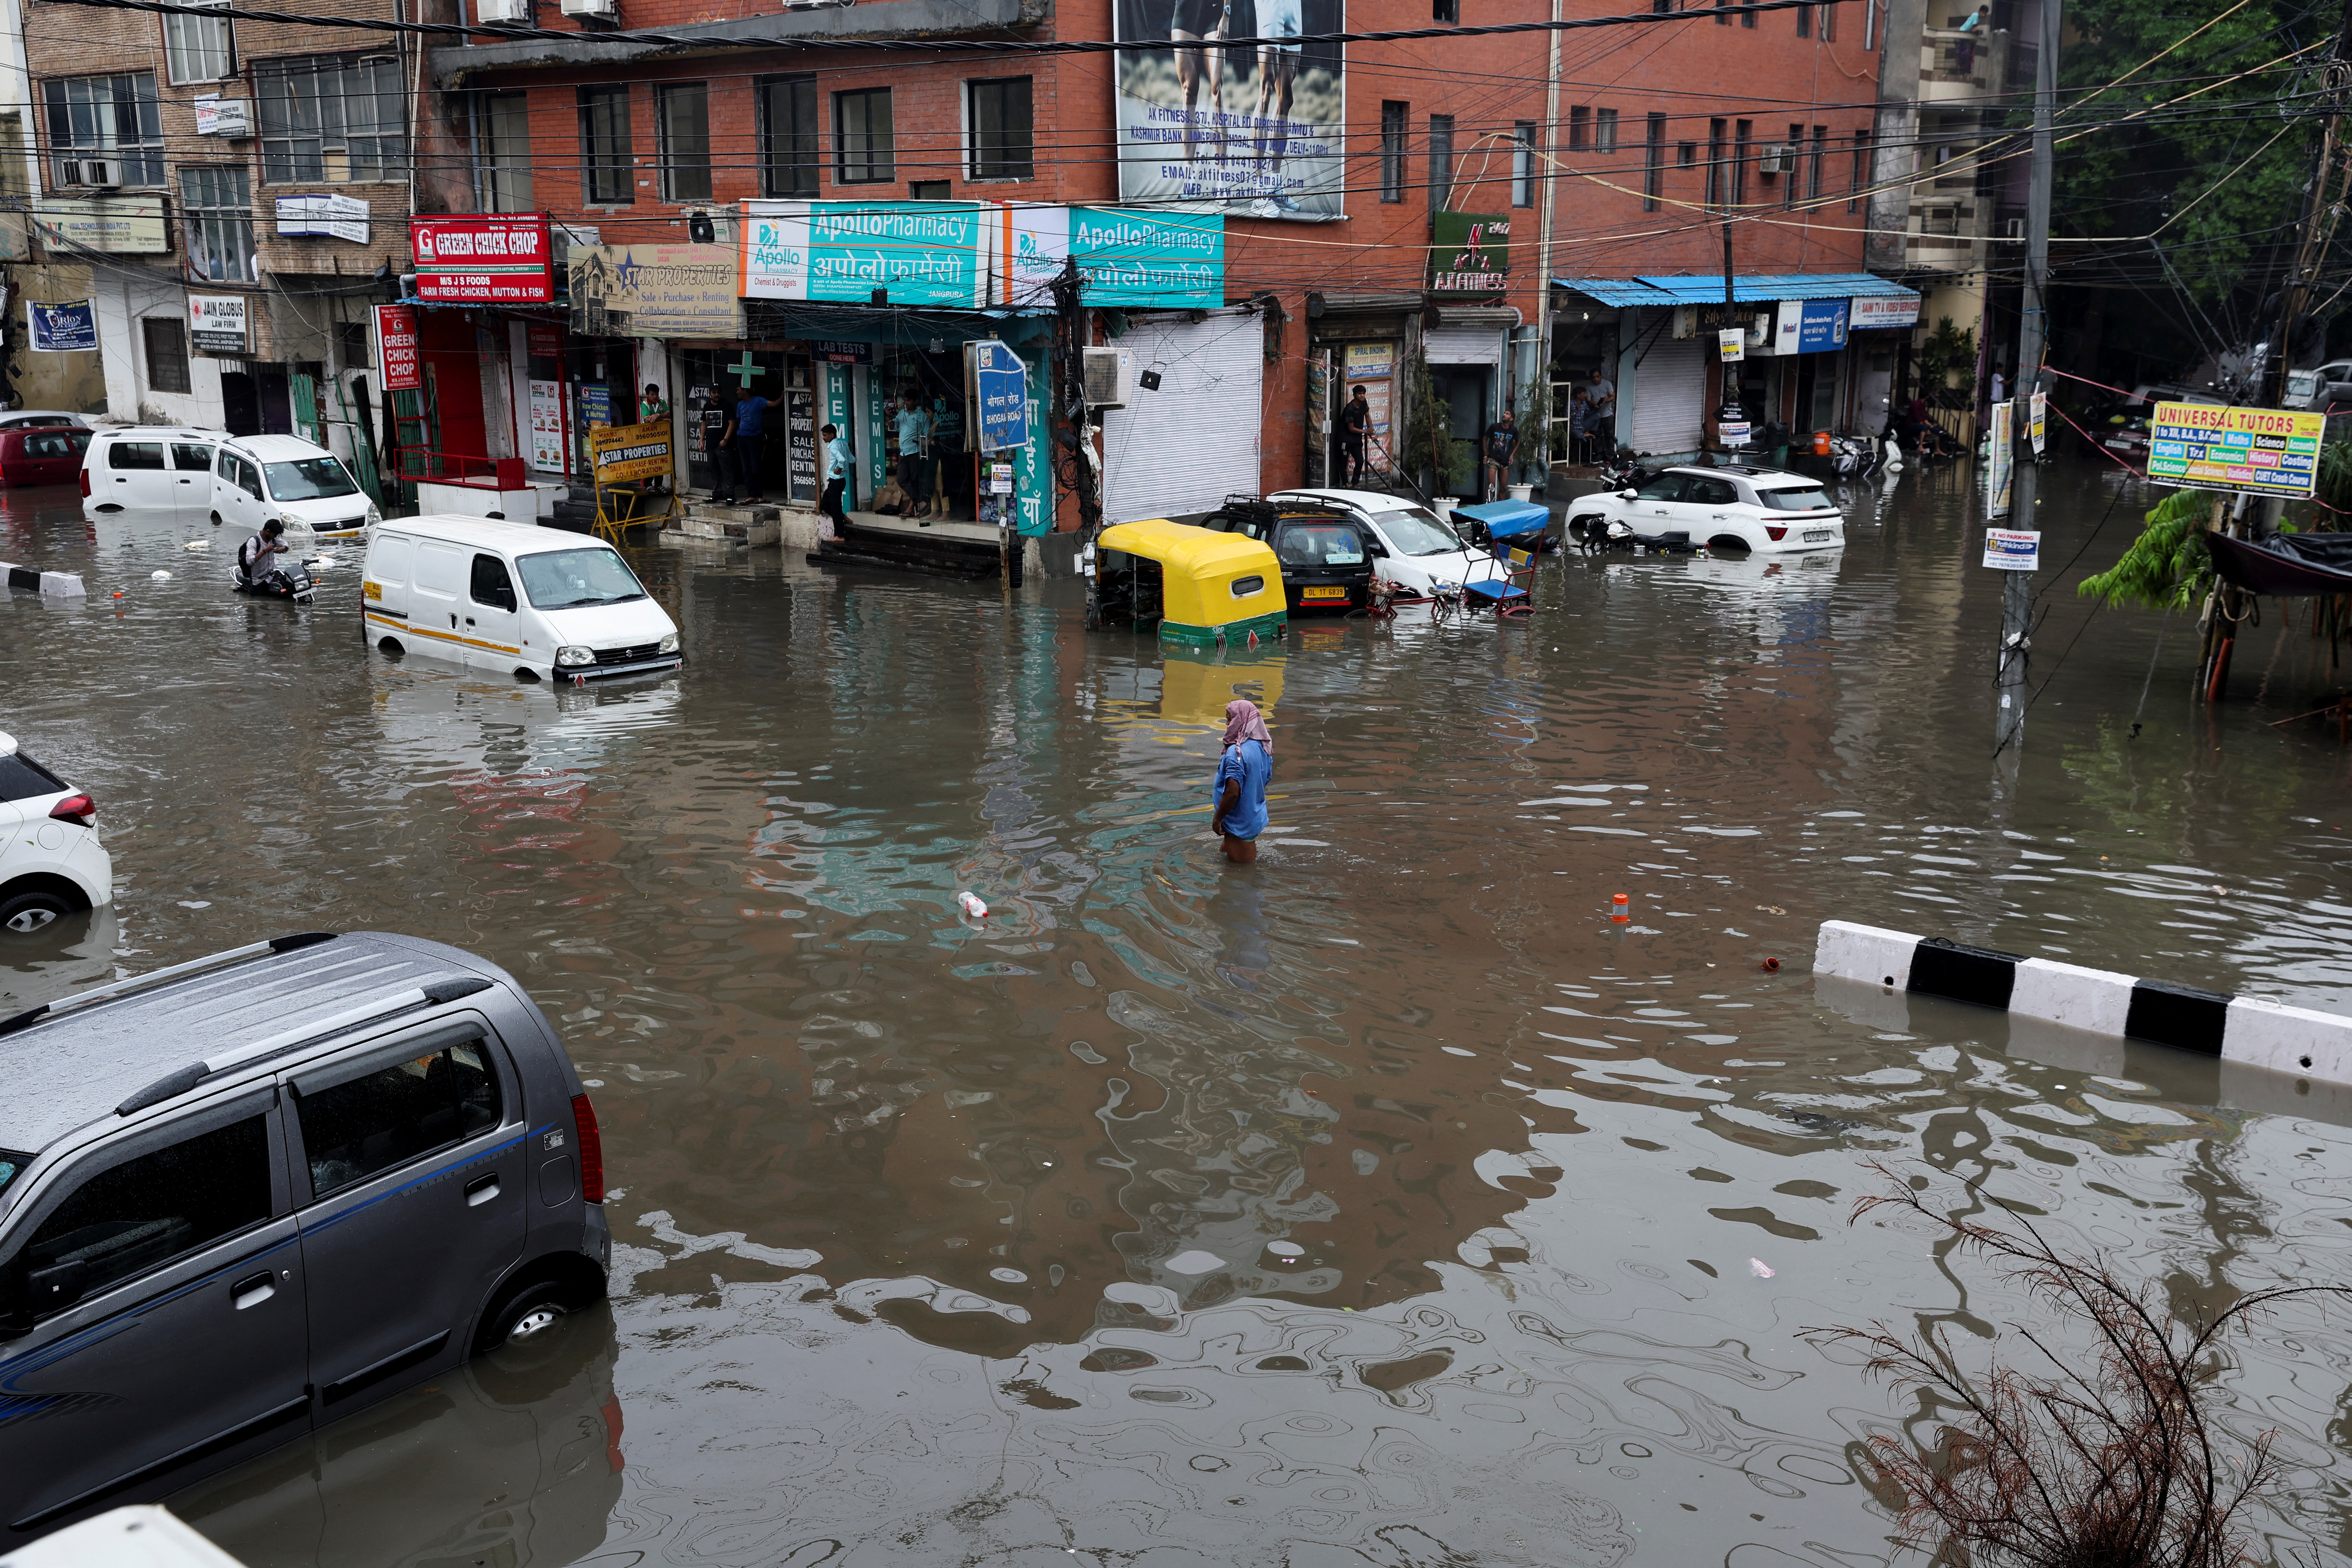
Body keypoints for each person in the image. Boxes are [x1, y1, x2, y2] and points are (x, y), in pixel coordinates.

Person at [1250, 0, 1302, 210]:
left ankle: (1275, 184)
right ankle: (1259, 187)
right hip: (1271, 6)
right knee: (1266, 90)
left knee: (1286, 99)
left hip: (1294, 8)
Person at [1210, 698, 1272, 865]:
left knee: (1244, 872)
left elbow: (1233, 792)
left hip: (1239, 821)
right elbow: (1266, 778)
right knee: (1224, 859)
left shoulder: (1235, 753)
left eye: (1231, 719)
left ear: (1242, 720)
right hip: (1253, 813)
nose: (1227, 724)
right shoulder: (1263, 747)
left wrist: (1217, 819)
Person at [1171, 0, 1229, 163]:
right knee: (1188, 93)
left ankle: (1221, 176)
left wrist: (1226, 15)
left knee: (1217, 90)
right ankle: (1189, 172)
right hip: (1186, 13)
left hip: (1214, 13)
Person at [724, 381, 771, 505]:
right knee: (746, 469)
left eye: (739, 390)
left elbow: (773, 404)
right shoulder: (740, 405)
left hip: (754, 438)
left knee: (756, 468)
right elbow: (739, 421)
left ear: (745, 390)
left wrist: (783, 396)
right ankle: (751, 495)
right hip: (742, 437)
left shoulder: (758, 401)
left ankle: (759, 496)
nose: (737, 392)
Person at [895, 391, 932, 526]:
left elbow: (927, 434)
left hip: (916, 451)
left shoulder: (921, 416)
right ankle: (921, 501)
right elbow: (893, 427)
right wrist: (889, 417)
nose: (906, 403)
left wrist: (926, 443)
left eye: (909, 400)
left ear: (915, 401)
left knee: (915, 480)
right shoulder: (902, 414)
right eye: (905, 400)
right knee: (901, 479)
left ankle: (914, 506)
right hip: (904, 452)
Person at [819, 422, 851, 540]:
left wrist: (840, 469)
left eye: (825, 435)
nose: (823, 438)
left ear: (832, 435)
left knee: (835, 508)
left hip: (837, 481)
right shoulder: (843, 443)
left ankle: (840, 536)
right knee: (824, 504)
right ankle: (843, 518)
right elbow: (852, 459)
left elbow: (843, 460)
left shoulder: (834, 446)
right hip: (837, 481)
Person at [237, 518, 288, 589]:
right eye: (275, 534)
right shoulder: (253, 542)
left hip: (272, 575)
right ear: (268, 532)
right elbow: (249, 561)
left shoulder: (272, 540)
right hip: (259, 580)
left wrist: (284, 548)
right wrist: (265, 551)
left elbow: (285, 543)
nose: (276, 537)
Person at [1483, 407, 1518, 500]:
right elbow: (1485, 439)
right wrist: (1485, 456)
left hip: (1505, 461)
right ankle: (1489, 505)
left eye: (1507, 414)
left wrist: (1512, 455)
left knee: (1503, 488)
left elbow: (1518, 441)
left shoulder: (1514, 430)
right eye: (1504, 413)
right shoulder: (1495, 427)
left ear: (1511, 419)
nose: (1504, 415)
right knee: (1491, 486)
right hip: (1493, 459)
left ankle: (1501, 506)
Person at [1339, 385, 1370, 484]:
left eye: (1363, 393)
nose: (1362, 396)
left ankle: (1355, 484)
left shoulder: (1364, 403)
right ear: (1354, 395)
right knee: (1343, 463)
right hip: (1345, 439)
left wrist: (1372, 434)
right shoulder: (1350, 409)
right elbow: (1351, 429)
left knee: (1360, 461)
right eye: (1360, 394)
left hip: (1356, 440)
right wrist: (1365, 431)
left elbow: (1368, 417)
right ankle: (1346, 484)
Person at [1585, 366, 1617, 458]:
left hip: (1607, 415)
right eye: (1594, 378)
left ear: (1601, 376)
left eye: (1598, 377)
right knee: (1596, 436)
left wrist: (1607, 400)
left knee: (1609, 436)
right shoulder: (1589, 387)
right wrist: (1594, 404)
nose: (1596, 379)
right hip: (1596, 416)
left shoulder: (1607, 384)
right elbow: (1588, 400)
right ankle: (1599, 455)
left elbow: (1613, 397)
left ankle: (1610, 456)